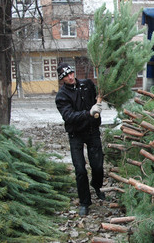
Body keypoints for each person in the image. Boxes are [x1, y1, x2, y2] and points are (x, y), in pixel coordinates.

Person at [55, 63, 105, 216]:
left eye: (71, 74)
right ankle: (84, 202)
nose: (70, 77)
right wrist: (89, 113)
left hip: (92, 131)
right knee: (80, 170)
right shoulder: (61, 96)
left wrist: (100, 100)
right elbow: (69, 116)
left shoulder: (87, 84)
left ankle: (96, 186)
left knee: (97, 165)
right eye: (66, 76)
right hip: (75, 134)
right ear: (62, 79)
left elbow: (99, 94)